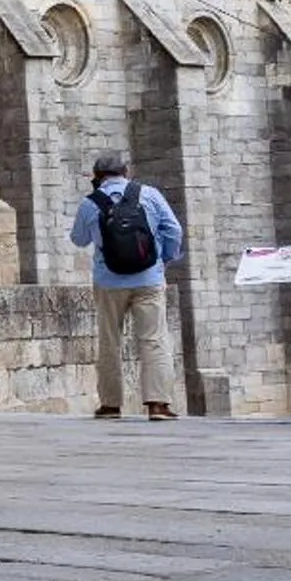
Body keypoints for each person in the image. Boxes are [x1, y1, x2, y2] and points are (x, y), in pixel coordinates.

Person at [71, 150, 186, 420]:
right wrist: (163, 259)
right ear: (126, 172)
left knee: (110, 342)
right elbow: (174, 230)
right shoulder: (149, 195)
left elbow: (79, 239)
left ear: (96, 177)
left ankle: (111, 405)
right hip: (149, 279)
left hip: (109, 282)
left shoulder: (90, 203)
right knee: (154, 340)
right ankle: (157, 404)